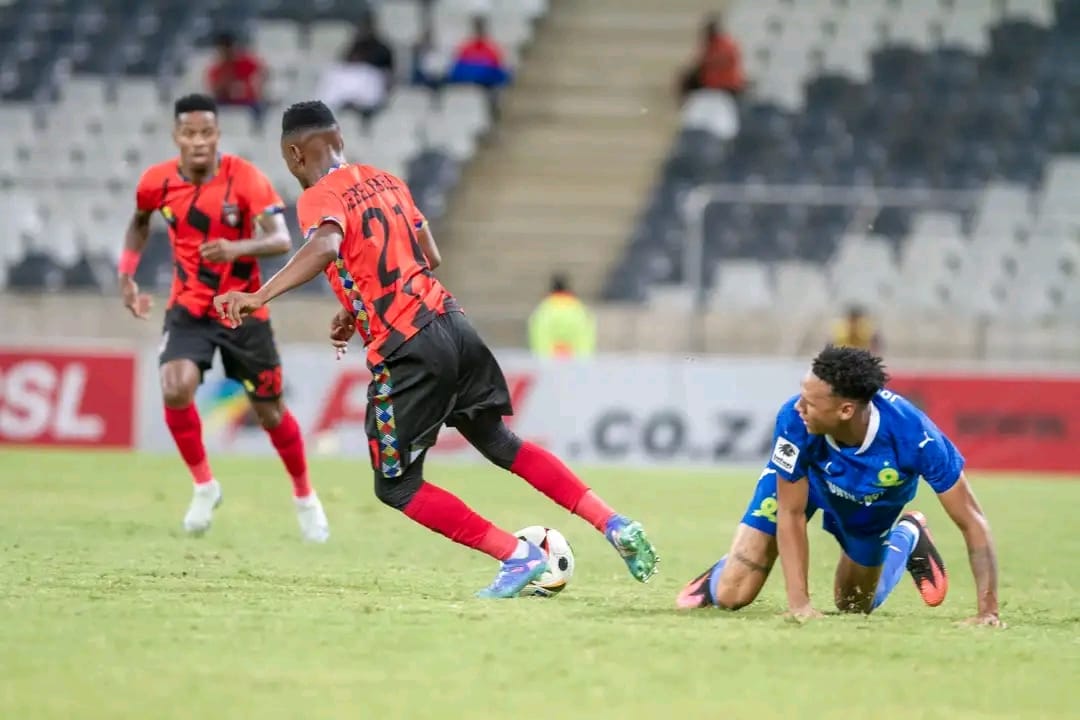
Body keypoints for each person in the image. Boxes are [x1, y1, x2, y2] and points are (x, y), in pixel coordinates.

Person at [212, 100, 659, 598]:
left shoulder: (318, 196)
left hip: (407, 349)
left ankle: (516, 556)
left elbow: (326, 248)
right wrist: (356, 305)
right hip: (453, 324)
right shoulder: (388, 181)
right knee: (501, 443)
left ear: (295, 153)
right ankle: (612, 522)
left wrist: (258, 296)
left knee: (397, 485)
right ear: (339, 139)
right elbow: (430, 256)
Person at [118, 93, 329, 543]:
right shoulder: (156, 182)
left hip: (243, 309)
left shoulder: (245, 178)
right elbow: (139, 221)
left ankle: (304, 495)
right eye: (189, 132)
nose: (198, 141)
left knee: (270, 412)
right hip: (189, 308)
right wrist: (127, 275)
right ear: (176, 135)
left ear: (217, 135)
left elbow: (278, 238)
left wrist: (236, 247)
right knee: (175, 386)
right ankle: (204, 485)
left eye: (207, 132)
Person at [677, 345, 1002, 627]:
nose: (798, 407)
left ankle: (907, 534)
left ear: (846, 410)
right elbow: (791, 513)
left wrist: (988, 612)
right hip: (807, 482)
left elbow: (972, 521)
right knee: (732, 595)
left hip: (871, 504)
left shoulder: (915, 436)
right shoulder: (794, 419)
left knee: (853, 605)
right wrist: (800, 605)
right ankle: (724, 573)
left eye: (810, 403)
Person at [527, 273, 596, 358]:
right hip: (575, 363)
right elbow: (586, 339)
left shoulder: (543, 311)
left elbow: (538, 339)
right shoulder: (580, 311)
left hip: (548, 363)